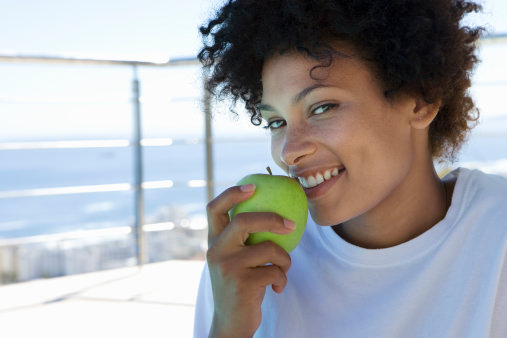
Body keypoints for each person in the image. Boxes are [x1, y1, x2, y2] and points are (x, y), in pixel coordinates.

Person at [193, 0, 507, 337]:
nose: (289, 151)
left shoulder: (497, 235)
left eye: (322, 107)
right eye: (277, 121)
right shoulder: (246, 264)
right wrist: (227, 327)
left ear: (420, 99)